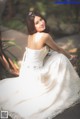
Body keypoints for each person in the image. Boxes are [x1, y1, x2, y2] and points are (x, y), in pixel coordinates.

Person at [0, 10, 80, 119]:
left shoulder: (31, 36)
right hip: (36, 74)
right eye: (36, 23)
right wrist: (71, 57)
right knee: (61, 57)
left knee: (56, 56)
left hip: (27, 71)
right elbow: (59, 49)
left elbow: (39, 54)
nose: (41, 23)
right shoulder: (44, 36)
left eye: (41, 20)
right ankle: (64, 84)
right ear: (32, 26)